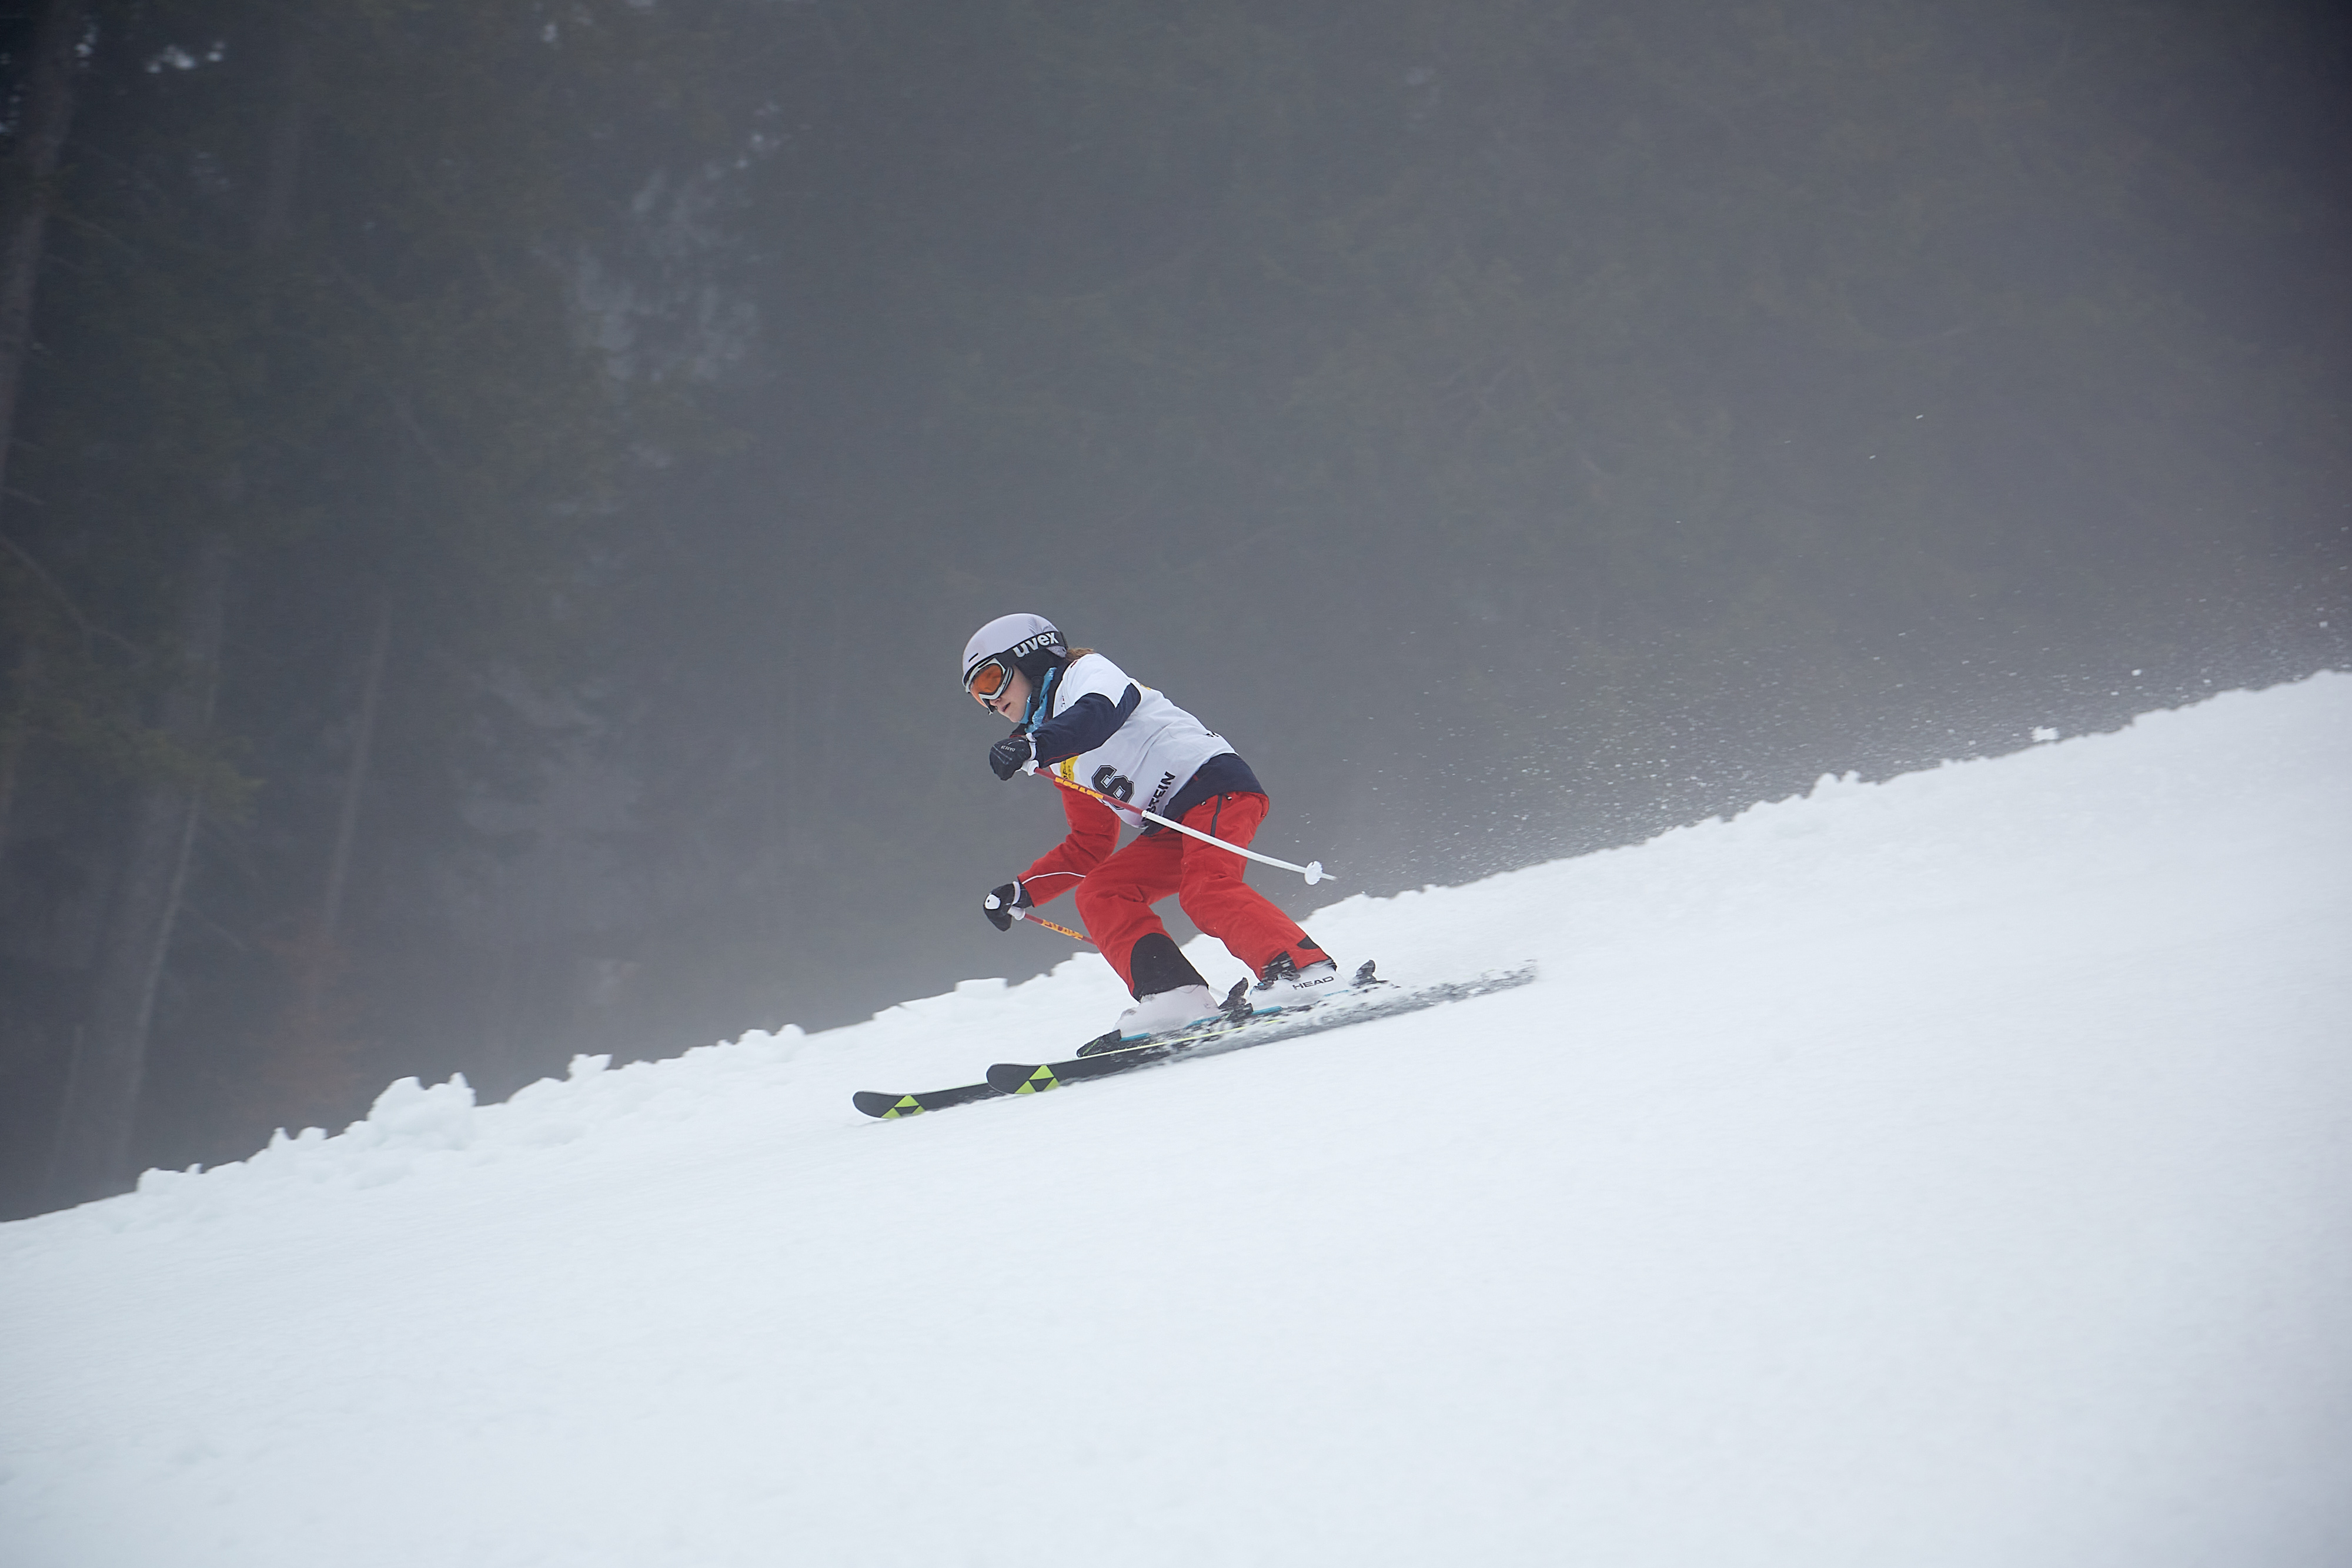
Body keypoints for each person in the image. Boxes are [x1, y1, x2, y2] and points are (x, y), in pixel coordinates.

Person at [963, 612, 1339, 1041]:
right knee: (1102, 893)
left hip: (1213, 787)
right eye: (978, 696)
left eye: (991, 680)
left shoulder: (1086, 673)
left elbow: (1100, 713)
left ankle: (1305, 971)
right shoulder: (1054, 750)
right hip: (1170, 825)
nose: (990, 702)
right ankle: (1174, 996)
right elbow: (1089, 843)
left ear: (1030, 658)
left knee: (1205, 889)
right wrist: (1023, 890)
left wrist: (1035, 745)